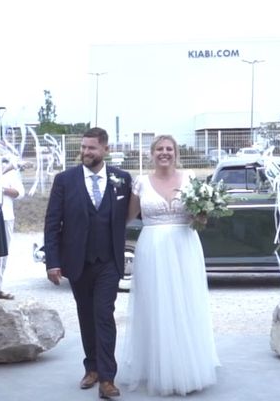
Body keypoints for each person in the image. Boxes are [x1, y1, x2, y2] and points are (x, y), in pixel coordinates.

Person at [118, 134, 219, 396]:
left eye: (169, 149)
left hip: (184, 245)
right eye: (160, 149)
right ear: (152, 154)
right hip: (151, 247)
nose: (165, 152)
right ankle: (158, 366)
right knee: (155, 305)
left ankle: (188, 365)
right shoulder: (140, 183)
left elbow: (202, 221)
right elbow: (127, 217)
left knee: (185, 303)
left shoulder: (190, 179)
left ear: (176, 153)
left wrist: (205, 210)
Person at [44, 127, 132, 399]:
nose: (85, 152)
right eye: (83, 147)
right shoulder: (64, 180)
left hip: (109, 261)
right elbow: (52, 223)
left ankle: (107, 378)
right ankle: (91, 367)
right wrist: (53, 261)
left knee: (103, 314)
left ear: (105, 149)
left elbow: (133, 212)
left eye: (91, 148)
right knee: (85, 314)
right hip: (78, 261)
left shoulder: (122, 179)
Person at [0, 157, 25, 299]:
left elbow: (20, 193)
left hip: (5, 217)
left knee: (2, 255)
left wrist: (2, 190)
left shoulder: (10, 173)